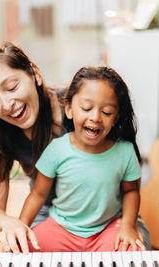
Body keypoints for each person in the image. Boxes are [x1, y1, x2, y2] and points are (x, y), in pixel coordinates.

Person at [17, 66, 150, 252]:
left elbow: (131, 192)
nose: (95, 117)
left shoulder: (125, 152)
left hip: (107, 229)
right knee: (20, 250)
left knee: (130, 251)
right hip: (60, 229)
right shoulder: (56, 149)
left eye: (106, 112)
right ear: (69, 108)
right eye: (86, 108)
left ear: (116, 117)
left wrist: (128, 226)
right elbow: (38, 194)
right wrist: (21, 226)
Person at [0, 41, 64, 253]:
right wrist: (8, 223)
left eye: (12, 88)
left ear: (34, 73)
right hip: (48, 211)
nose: (7, 104)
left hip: (104, 209)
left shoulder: (77, 107)